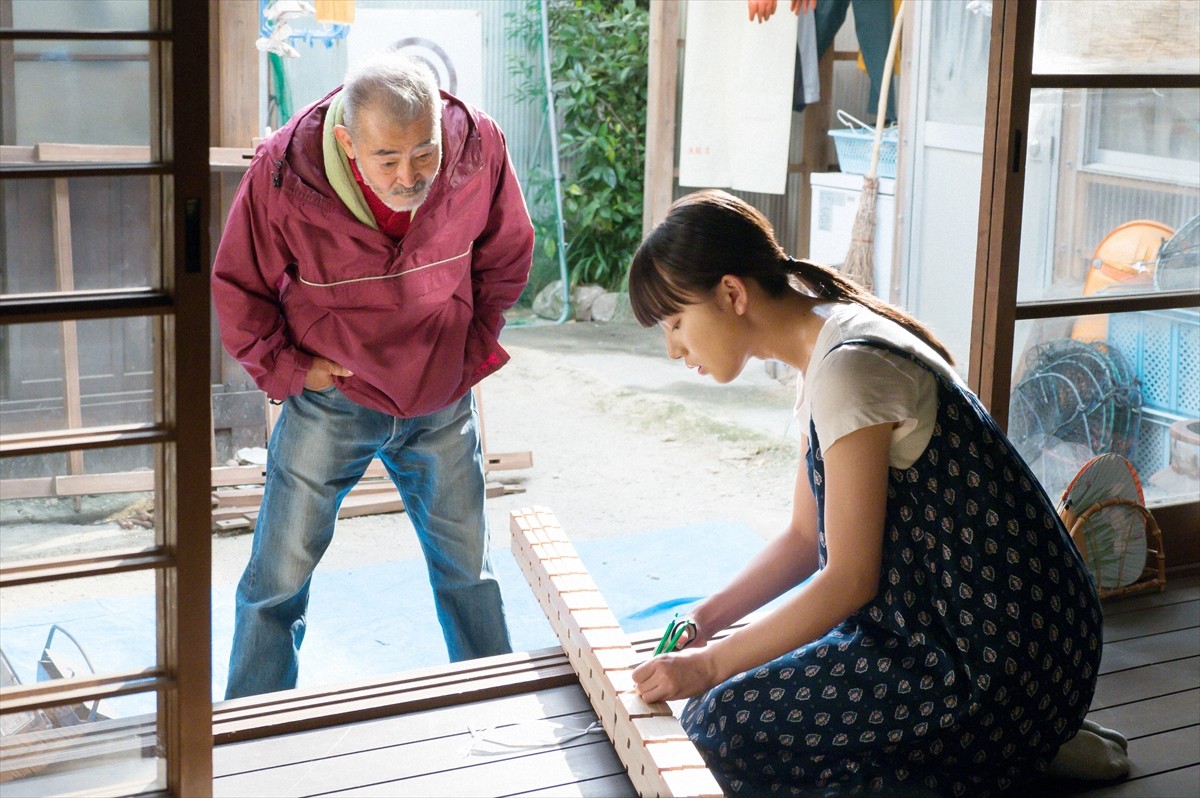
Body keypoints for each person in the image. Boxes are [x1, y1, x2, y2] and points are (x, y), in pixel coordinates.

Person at [628, 190, 1128, 796]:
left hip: (998, 656)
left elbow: (849, 580)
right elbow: (801, 540)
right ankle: (1011, 749)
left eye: (675, 322)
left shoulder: (848, 369)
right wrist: (703, 621)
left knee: (721, 729)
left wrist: (707, 667)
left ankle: (1010, 745)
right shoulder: (830, 342)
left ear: (732, 294)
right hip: (982, 628)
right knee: (737, 698)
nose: (674, 348)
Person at [212, 51, 533, 699]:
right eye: (387, 159)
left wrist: (471, 345)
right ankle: (254, 726)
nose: (410, 175)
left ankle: (496, 706)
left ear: (442, 127)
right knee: (277, 577)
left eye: (425, 153)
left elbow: (506, 250)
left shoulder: (480, 147)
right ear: (346, 142)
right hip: (334, 397)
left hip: (439, 393)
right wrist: (293, 369)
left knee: (469, 569)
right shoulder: (283, 174)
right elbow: (238, 287)